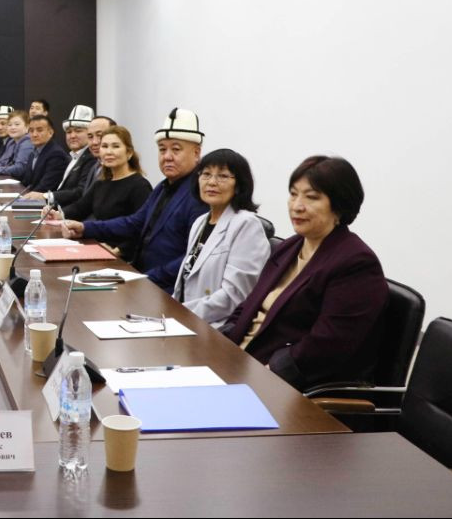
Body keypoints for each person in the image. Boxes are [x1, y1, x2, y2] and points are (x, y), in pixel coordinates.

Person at [221, 156, 388, 390]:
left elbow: (328, 345)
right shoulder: (291, 245)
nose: (297, 205)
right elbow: (249, 304)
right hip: (239, 363)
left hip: (282, 384)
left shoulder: (356, 263)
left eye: (311, 197)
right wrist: (221, 343)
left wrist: (265, 375)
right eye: (293, 194)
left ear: (339, 205)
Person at [60, 108, 209, 293]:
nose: (167, 156)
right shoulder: (163, 187)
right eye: (162, 149)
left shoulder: (199, 193)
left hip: (167, 289)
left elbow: (192, 256)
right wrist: (84, 228)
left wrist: (148, 278)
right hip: (139, 276)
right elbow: (134, 222)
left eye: (176, 149)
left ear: (196, 153)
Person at [171, 149, 269, 328]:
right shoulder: (200, 222)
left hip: (215, 327)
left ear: (239, 185)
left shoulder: (246, 224)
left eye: (223, 176)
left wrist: (181, 315)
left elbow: (234, 296)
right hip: (185, 319)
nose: (212, 182)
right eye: (206, 174)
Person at [52, 127, 153, 260]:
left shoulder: (140, 186)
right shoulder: (101, 183)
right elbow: (80, 207)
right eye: (104, 146)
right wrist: (58, 214)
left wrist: (118, 251)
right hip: (98, 248)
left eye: (115, 146)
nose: (109, 151)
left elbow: (144, 228)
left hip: (122, 257)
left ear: (129, 153)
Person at [25, 104, 96, 206]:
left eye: (78, 131)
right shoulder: (74, 156)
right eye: (69, 132)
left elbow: (80, 192)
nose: (72, 136)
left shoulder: (91, 158)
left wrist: (47, 197)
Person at [19, 115, 69, 192]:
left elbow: (45, 186)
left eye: (39, 130)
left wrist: (25, 197)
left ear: (50, 132)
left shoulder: (56, 154)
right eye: (31, 131)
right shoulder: (33, 153)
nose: (34, 134)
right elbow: (27, 182)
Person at [79, 116, 117, 195]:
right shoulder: (95, 167)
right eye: (90, 137)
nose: (94, 142)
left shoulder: (118, 170)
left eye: (100, 135)